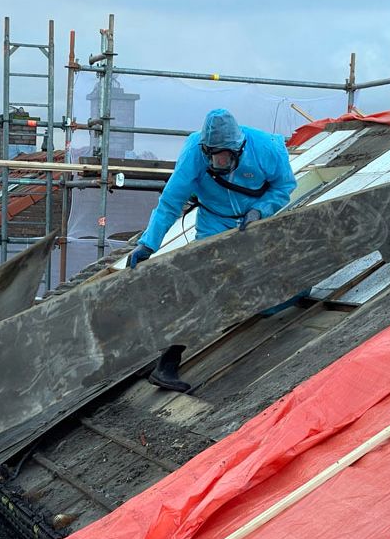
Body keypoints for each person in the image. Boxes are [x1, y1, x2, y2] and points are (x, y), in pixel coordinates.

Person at [127, 109, 297, 393]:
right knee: (203, 281)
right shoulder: (193, 154)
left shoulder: (267, 148)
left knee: (266, 282)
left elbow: (284, 186)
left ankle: (269, 306)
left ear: (238, 148)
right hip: (214, 221)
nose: (219, 161)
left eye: (225, 156)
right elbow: (170, 203)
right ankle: (167, 363)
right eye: (213, 155)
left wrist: (260, 210)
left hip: (253, 221)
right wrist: (148, 243)